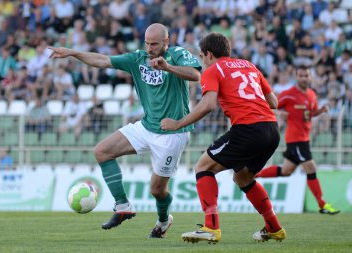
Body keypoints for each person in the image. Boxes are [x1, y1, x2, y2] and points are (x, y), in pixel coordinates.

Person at [49, 23, 201, 238]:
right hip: (147, 126)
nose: (149, 48)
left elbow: (195, 75)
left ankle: (163, 221)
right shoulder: (137, 59)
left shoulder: (177, 54)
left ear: (167, 41)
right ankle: (123, 206)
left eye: (155, 44)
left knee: (157, 190)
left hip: (172, 133)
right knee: (102, 151)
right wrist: (74, 53)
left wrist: (167, 67)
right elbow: (102, 61)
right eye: (147, 43)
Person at [161, 32, 286, 244]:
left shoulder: (212, 70)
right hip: (271, 130)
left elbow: (209, 105)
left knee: (203, 167)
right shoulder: (249, 65)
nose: (202, 61)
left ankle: (211, 226)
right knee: (243, 178)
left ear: (208, 54)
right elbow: (273, 101)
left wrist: (178, 123)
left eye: (202, 57)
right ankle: (273, 227)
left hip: (248, 128)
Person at [255, 65, 340, 215]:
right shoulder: (288, 94)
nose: (304, 78)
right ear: (296, 77)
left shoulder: (312, 95)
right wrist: (280, 114)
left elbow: (310, 113)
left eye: (306, 75)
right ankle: (322, 204)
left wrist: (321, 111)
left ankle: (255, 174)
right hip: (296, 139)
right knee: (311, 168)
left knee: (286, 171)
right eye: (301, 75)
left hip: (304, 139)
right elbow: (271, 105)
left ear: (310, 77)